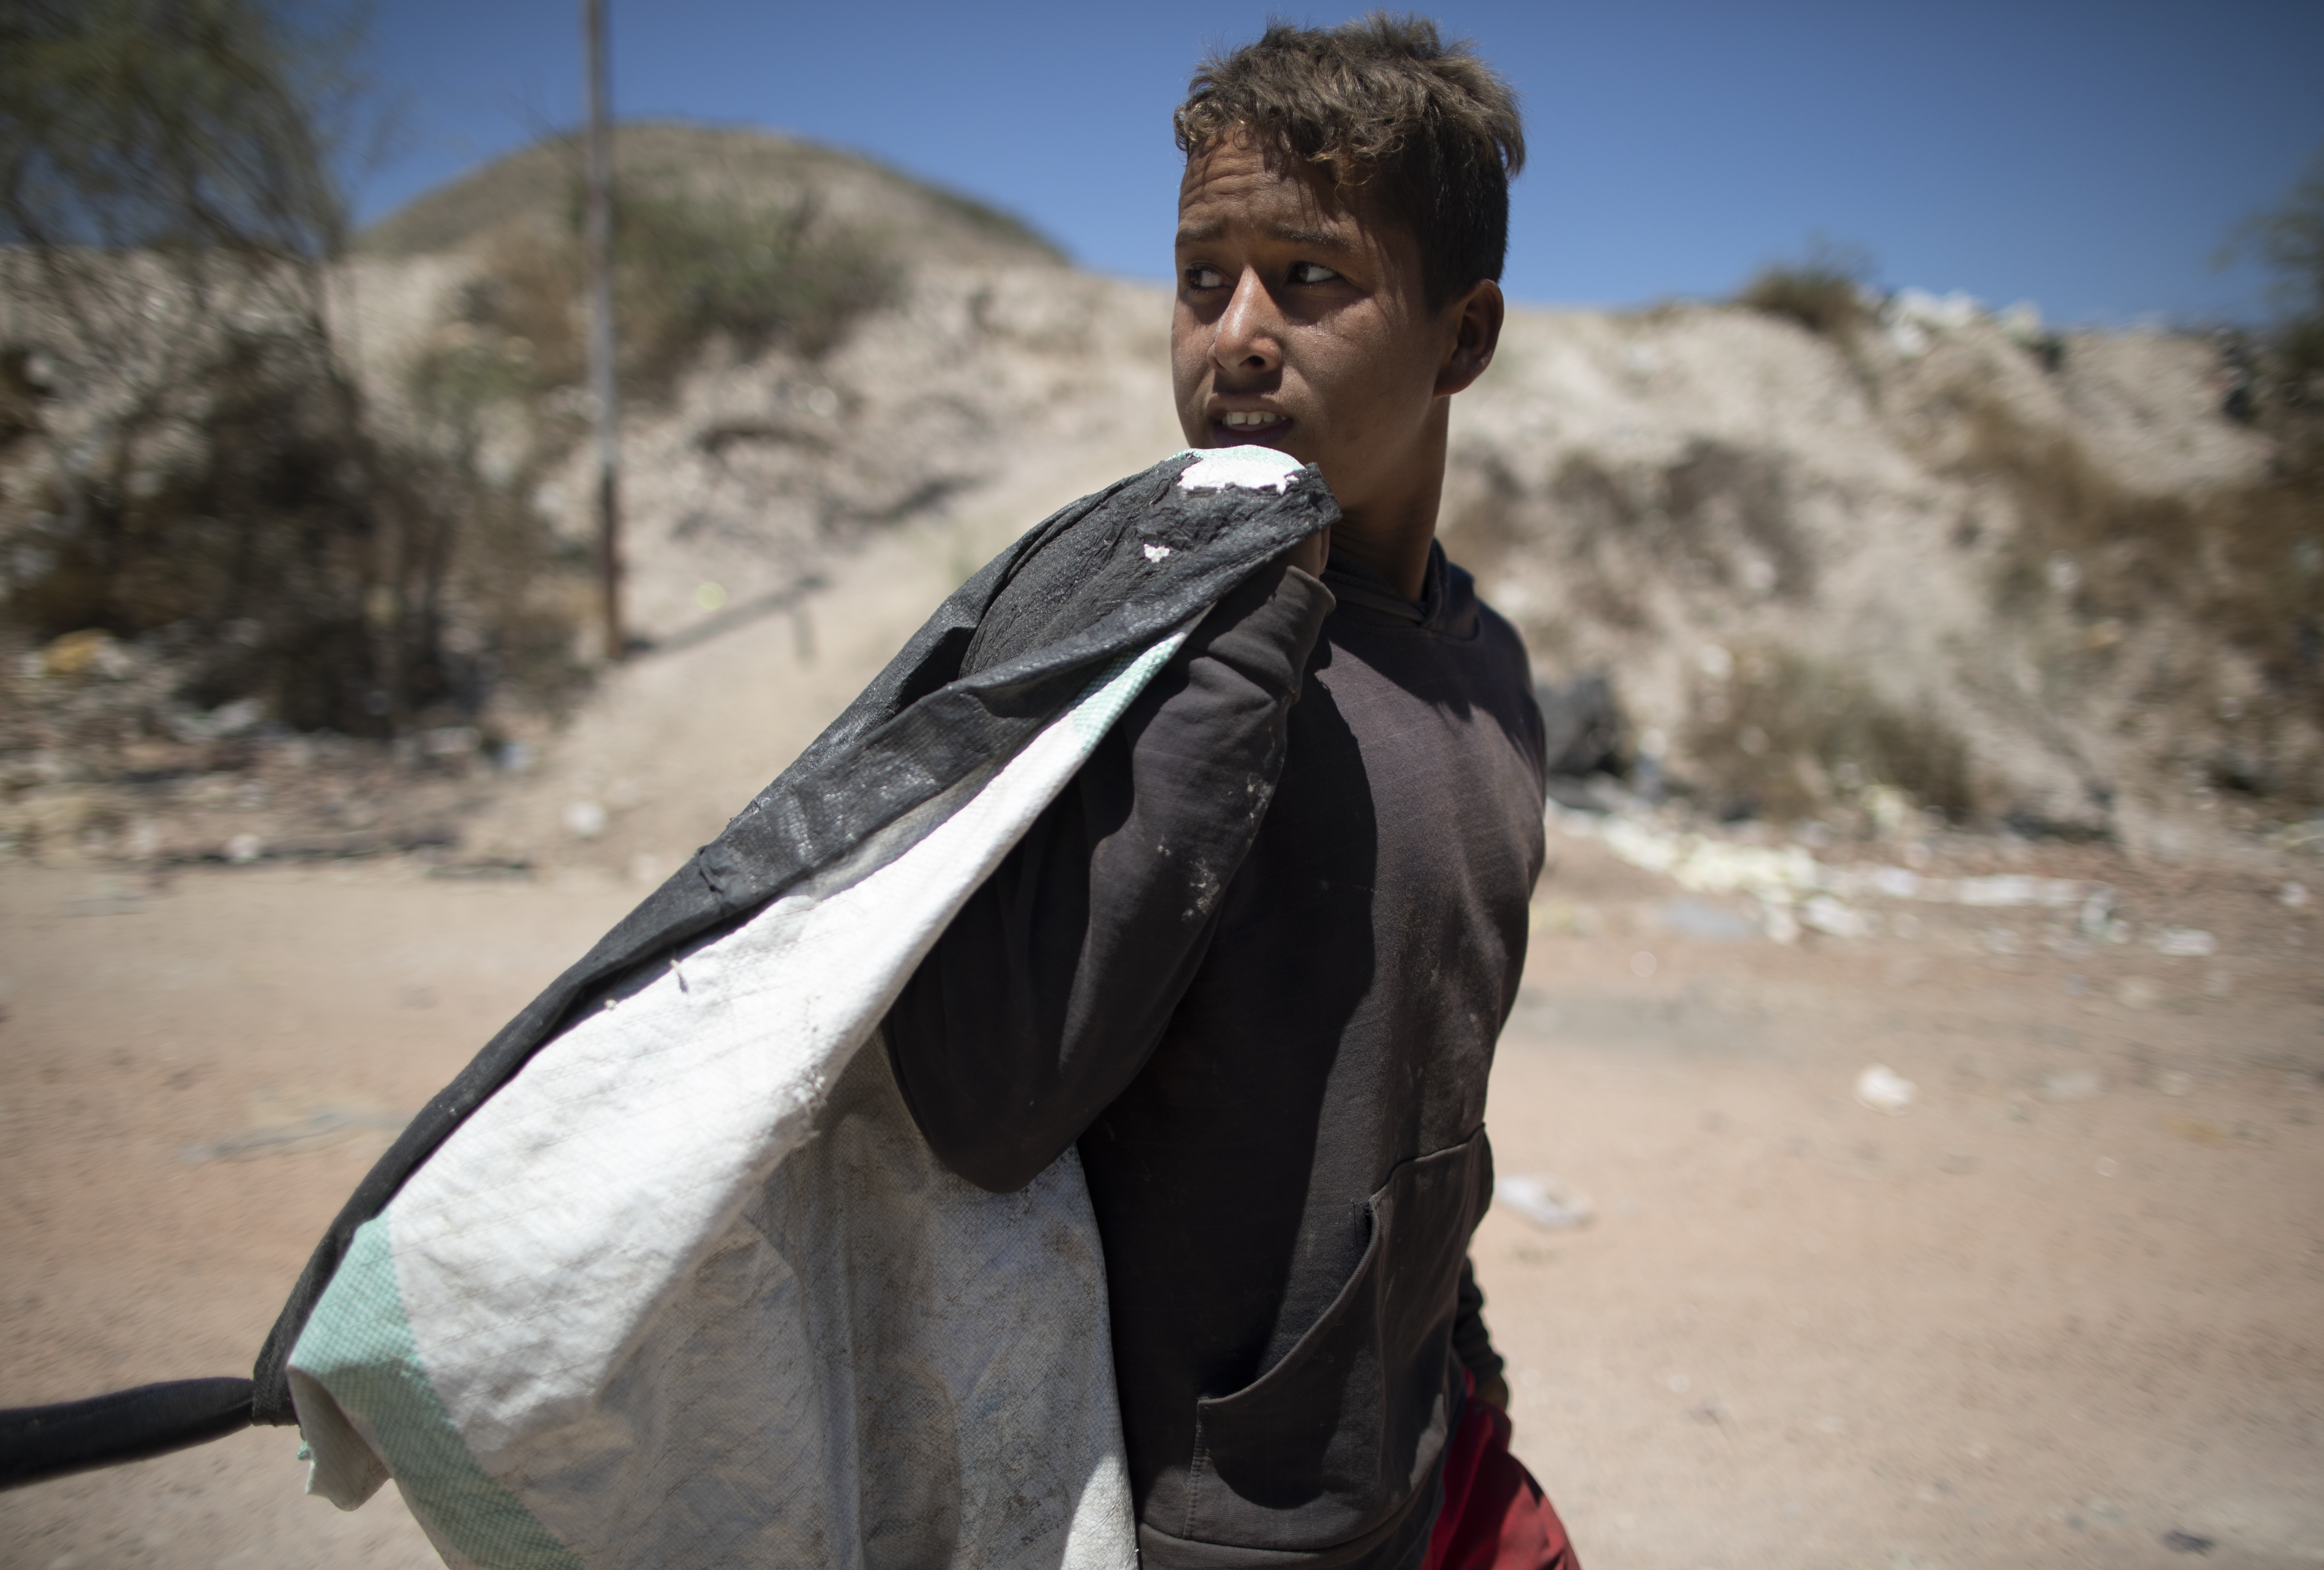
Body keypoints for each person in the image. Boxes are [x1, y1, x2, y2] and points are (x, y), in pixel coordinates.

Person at [884, 16, 1577, 1570]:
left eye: (1309, 278)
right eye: (1205, 278)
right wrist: (1246, 623)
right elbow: (984, 1106)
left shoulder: (1487, 672)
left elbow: (1422, 1092)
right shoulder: (1138, 658)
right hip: (1197, 1523)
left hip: (1426, 1456)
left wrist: (1458, 1361)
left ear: (1463, 338)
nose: (1237, 336)